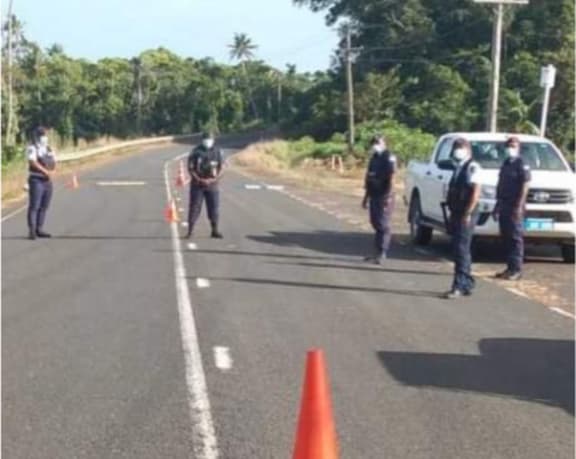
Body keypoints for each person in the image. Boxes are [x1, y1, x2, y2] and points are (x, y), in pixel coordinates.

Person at [443, 138, 482, 299]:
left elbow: (476, 192)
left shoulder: (472, 167)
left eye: (461, 147)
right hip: (457, 212)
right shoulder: (458, 167)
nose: (458, 150)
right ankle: (466, 282)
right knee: (460, 249)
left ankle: (459, 285)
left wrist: (467, 213)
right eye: (456, 147)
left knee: (461, 249)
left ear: (468, 150)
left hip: (467, 213)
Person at [493, 136, 531, 280]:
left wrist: (519, 206)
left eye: (514, 146)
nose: (511, 148)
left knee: (515, 237)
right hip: (504, 204)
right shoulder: (506, 163)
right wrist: (497, 205)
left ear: (519, 148)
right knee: (506, 237)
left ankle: (516, 269)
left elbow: (525, 185)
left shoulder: (522, 163)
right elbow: (500, 185)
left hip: (515, 205)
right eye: (509, 145)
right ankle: (509, 268)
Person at [362, 135, 396, 264]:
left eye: (378, 142)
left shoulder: (389, 156)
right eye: (373, 143)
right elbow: (368, 178)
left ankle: (382, 252)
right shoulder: (374, 158)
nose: (375, 145)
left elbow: (392, 177)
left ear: (384, 143)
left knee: (383, 224)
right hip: (374, 194)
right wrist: (366, 197)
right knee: (375, 222)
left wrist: (388, 195)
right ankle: (376, 252)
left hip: (384, 194)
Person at [185, 132, 224, 239]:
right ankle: (190, 231)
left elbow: (222, 167)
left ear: (213, 140)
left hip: (213, 185)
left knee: (214, 208)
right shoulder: (195, 152)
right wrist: (199, 179)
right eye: (206, 139)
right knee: (194, 207)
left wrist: (214, 179)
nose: (208, 141)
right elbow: (191, 168)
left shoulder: (217, 151)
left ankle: (214, 230)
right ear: (202, 140)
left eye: (210, 139)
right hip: (197, 185)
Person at [26, 126, 56, 240]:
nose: (45, 137)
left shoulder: (48, 148)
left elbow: (54, 161)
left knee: (44, 206)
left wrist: (52, 171)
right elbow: (32, 162)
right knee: (35, 205)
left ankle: (39, 228)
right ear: (38, 136)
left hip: (47, 181)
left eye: (45, 135)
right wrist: (45, 171)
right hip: (36, 180)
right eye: (43, 135)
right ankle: (32, 230)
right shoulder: (32, 148)